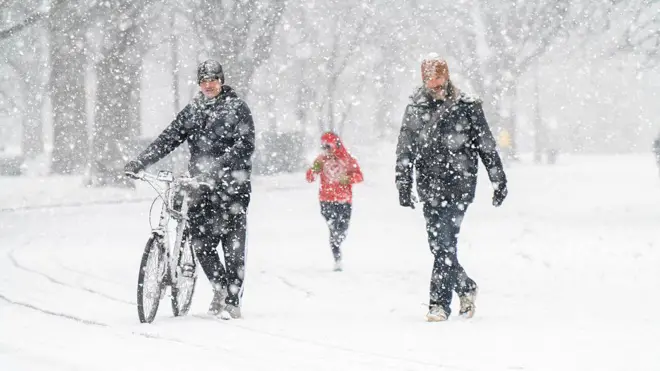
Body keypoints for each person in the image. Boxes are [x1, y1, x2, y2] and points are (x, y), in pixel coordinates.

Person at [124, 59, 255, 320]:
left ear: (222, 81)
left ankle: (232, 300)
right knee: (202, 244)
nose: (208, 85)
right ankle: (219, 288)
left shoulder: (237, 108)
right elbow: (168, 138)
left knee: (232, 247)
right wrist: (141, 161)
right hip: (200, 188)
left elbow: (245, 145)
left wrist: (218, 167)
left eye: (213, 80)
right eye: (204, 81)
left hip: (232, 189)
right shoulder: (193, 111)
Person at [395, 54, 508, 322]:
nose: (435, 87)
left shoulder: (467, 107)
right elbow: (405, 149)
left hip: (459, 184)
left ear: (447, 77)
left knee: (445, 243)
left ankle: (439, 304)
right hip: (429, 186)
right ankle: (466, 286)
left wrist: (498, 178)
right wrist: (403, 182)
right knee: (438, 245)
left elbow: (486, 145)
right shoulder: (416, 110)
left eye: (439, 80)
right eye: (430, 82)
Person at [306, 132, 363, 271]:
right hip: (326, 200)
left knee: (342, 228)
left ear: (336, 145)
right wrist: (314, 170)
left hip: (344, 200)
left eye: (328, 146)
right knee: (333, 228)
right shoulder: (321, 160)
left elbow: (359, 176)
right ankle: (337, 257)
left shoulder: (348, 159)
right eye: (323, 147)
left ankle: (338, 240)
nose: (325, 150)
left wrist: (348, 179)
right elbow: (310, 178)